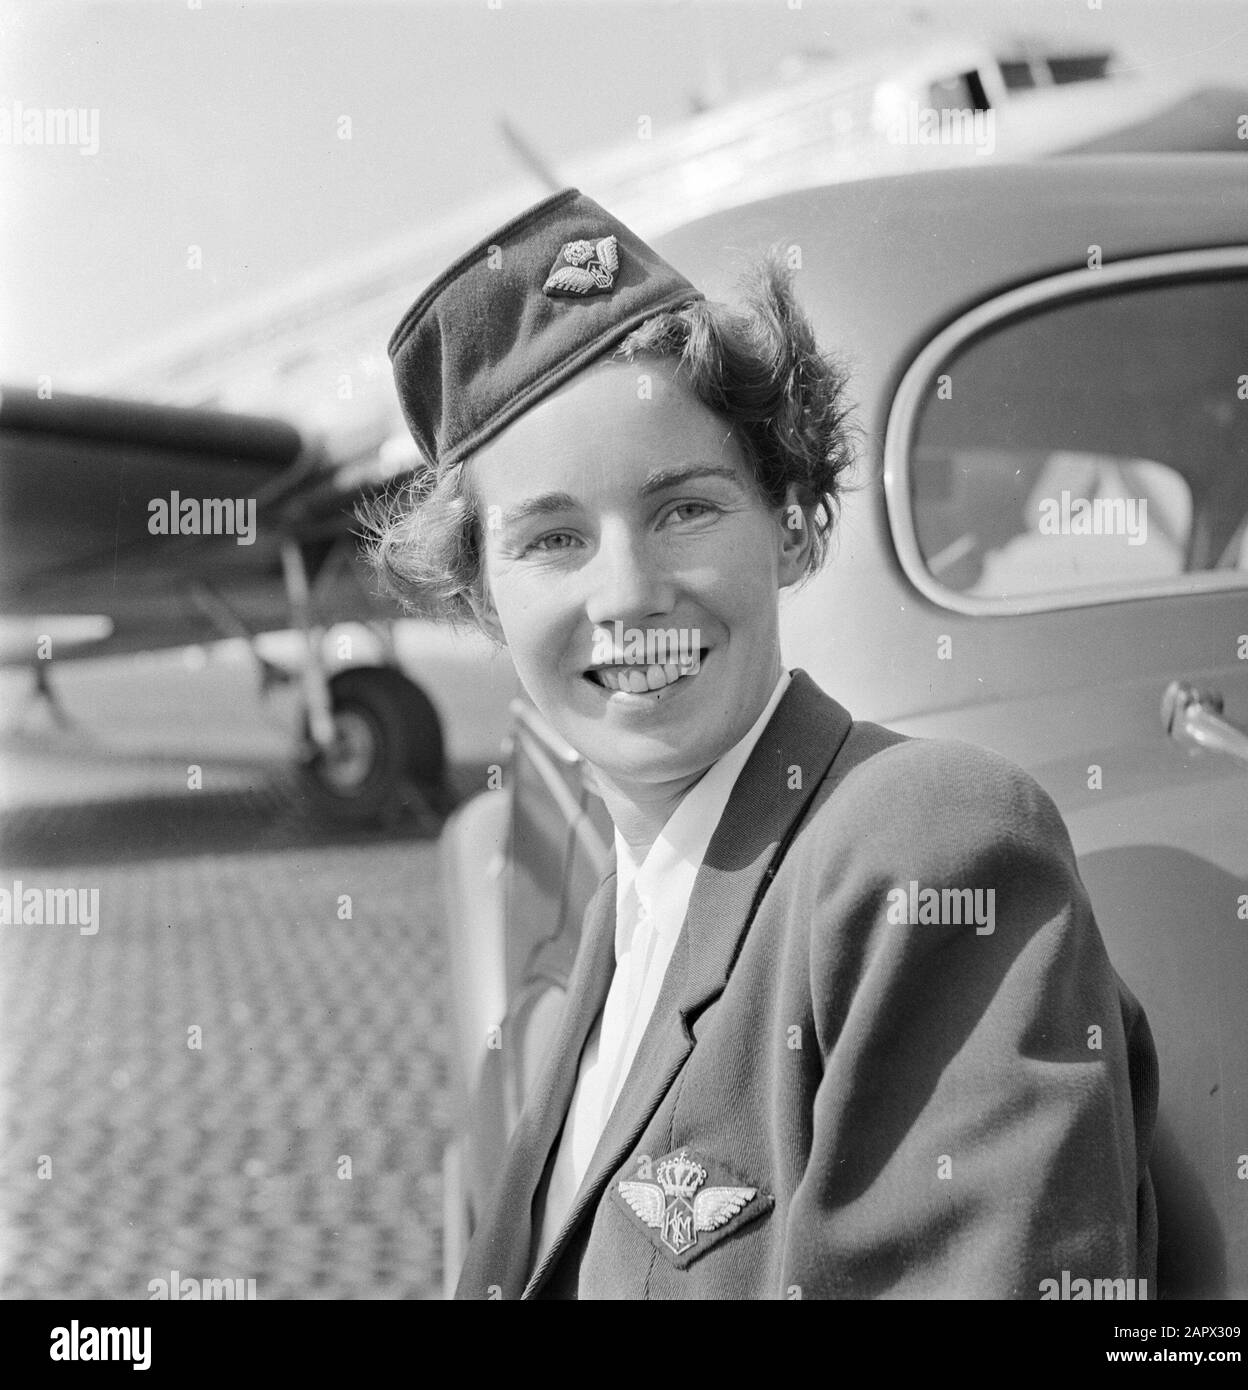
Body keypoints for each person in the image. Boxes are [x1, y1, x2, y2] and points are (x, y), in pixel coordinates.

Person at [369, 188, 1158, 1299]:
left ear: (787, 530)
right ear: (487, 604)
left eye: (684, 510)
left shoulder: (921, 842)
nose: (628, 593)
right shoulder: (623, 920)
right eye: (552, 538)